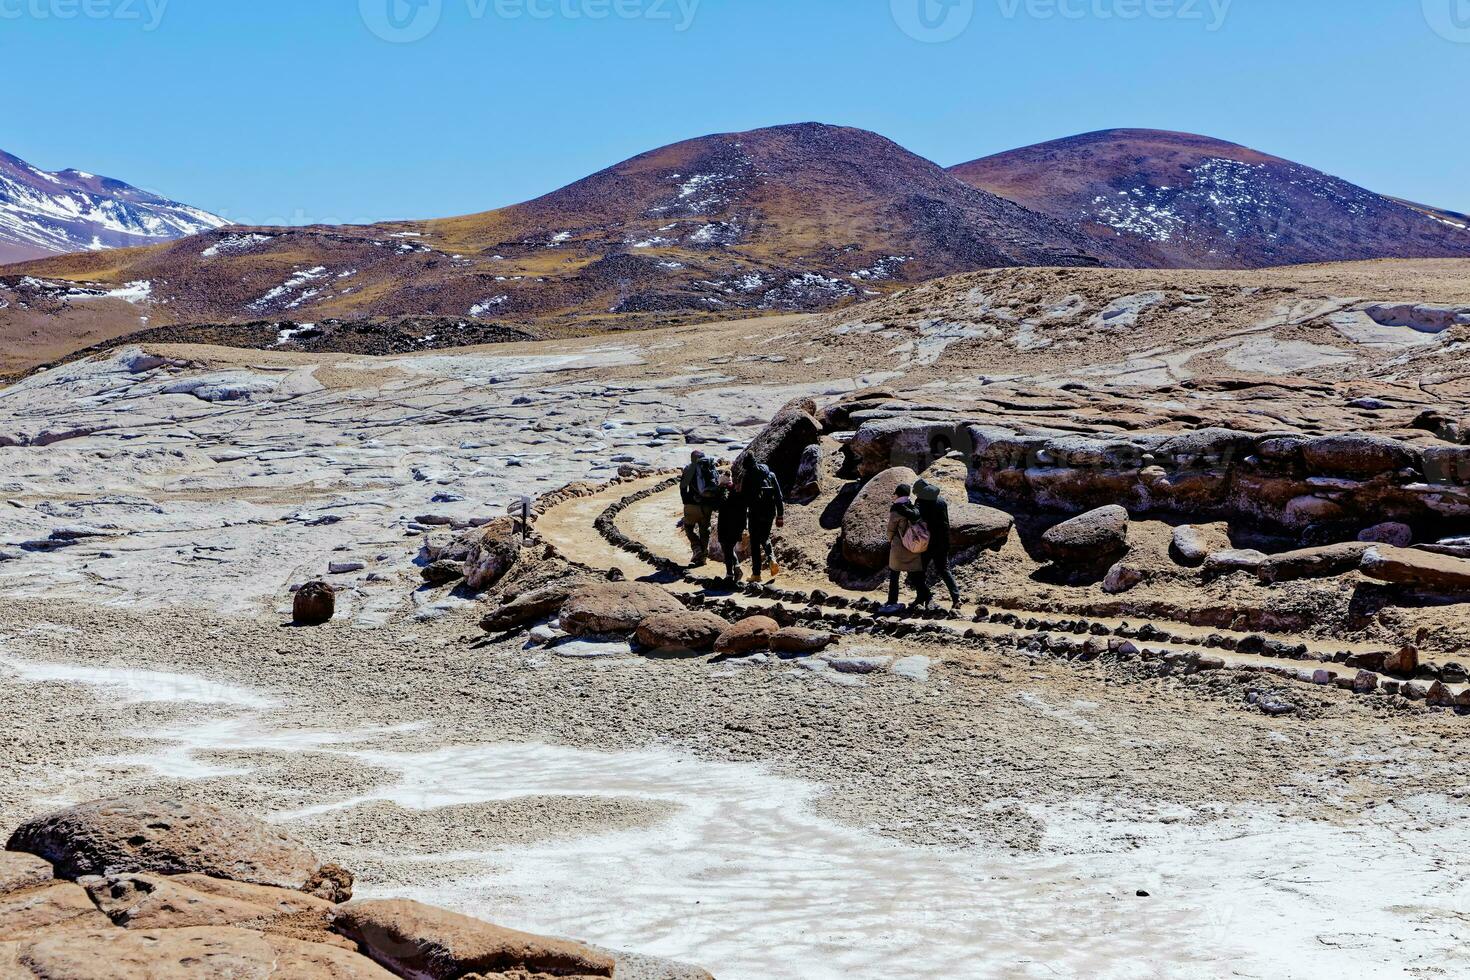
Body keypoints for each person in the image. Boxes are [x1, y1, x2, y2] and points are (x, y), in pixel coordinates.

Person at [914, 479, 962, 611]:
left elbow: (916, 520)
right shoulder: (941, 502)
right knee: (944, 570)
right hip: (942, 542)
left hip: (926, 543)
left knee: (918, 571)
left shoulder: (920, 503)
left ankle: (921, 597)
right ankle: (956, 598)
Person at [885, 483, 933, 610]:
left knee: (894, 574)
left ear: (898, 494)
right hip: (913, 545)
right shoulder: (912, 506)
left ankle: (892, 601)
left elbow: (891, 529)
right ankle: (926, 598)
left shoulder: (896, 508)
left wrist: (889, 540)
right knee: (916, 575)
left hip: (899, 547)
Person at [743, 458, 785, 582]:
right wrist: (780, 515)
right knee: (765, 537)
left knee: (755, 543)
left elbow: (745, 499)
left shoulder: (748, 477)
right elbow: (778, 496)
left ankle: (756, 574)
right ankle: (772, 559)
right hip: (769, 513)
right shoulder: (770, 475)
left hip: (755, 513)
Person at [679, 450, 723, 566]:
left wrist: (686, 501)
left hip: (692, 504)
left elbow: (683, 487)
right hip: (707, 505)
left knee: (688, 527)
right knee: (704, 530)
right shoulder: (709, 466)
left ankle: (696, 547)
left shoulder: (690, 468)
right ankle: (703, 558)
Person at [715, 473, 748, 583]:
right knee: (729, 548)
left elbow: (716, 506)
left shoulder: (722, 491)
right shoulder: (737, 490)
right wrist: (744, 525)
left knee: (727, 549)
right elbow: (743, 508)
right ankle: (734, 570)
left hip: (725, 524)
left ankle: (731, 573)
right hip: (736, 524)